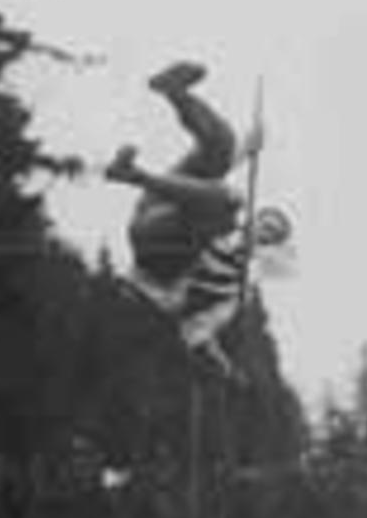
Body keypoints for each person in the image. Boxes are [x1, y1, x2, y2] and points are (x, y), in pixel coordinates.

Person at [105, 62, 290, 374]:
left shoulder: (235, 282)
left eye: (270, 234)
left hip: (156, 254)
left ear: (266, 244)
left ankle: (133, 174)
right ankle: (174, 92)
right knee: (222, 146)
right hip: (157, 211)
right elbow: (208, 190)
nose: (262, 230)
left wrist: (220, 362)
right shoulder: (226, 222)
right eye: (264, 222)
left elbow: (198, 330)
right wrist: (245, 151)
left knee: (228, 201)